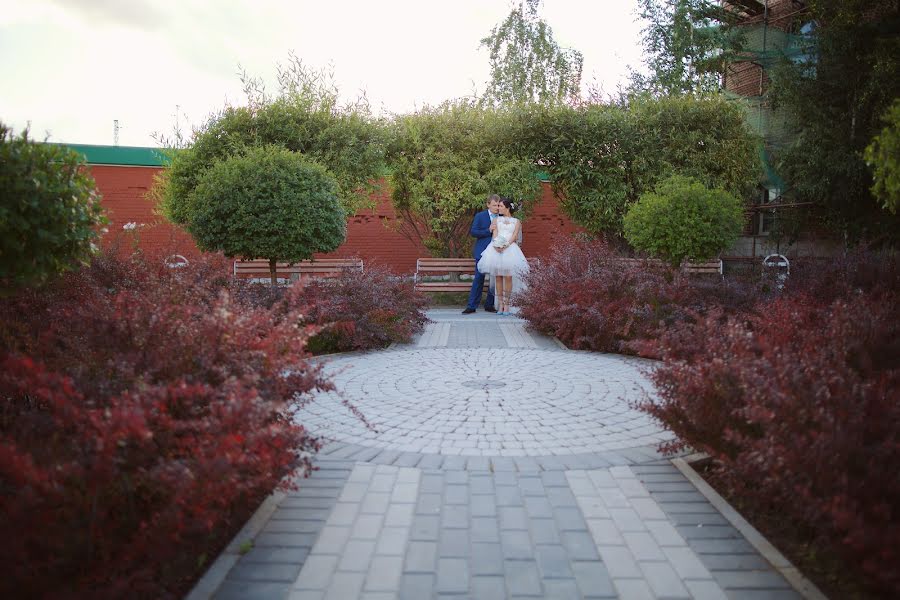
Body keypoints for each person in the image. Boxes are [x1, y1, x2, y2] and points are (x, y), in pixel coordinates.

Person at [476, 197, 529, 315]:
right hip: (496, 249)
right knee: (498, 276)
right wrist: (496, 245)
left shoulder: (516, 221)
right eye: (498, 206)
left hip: (510, 249)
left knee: (508, 277)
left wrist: (505, 245)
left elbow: (514, 236)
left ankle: (507, 305)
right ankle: (500, 305)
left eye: (500, 206)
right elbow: (495, 234)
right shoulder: (496, 221)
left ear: (507, 208)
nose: (498, 208)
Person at [462, 195, 501, 314]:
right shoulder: (480, 216)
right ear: (488, 204)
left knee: (494, 279)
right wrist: (488, 230)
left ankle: (490, 305)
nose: (497, 207)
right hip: (482, 252)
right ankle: (472, 306)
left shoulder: (503, 217)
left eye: (498, 205)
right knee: (479, 278)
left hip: (498, 252)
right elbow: (473, 232)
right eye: (494, 205)